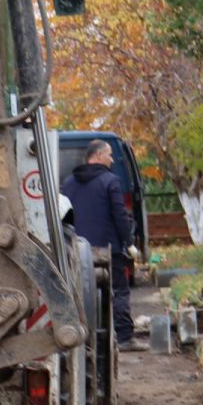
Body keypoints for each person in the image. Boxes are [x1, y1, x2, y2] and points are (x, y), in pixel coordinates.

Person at [61, 139, 142, 352]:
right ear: (97, 156)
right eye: (109, 154)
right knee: (118, 292)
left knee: (79, 293)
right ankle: (124, 336)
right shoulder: (110, 181)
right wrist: (129, 243)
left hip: (77, 250)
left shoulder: (68, 183)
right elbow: (120, 215)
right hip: (108, 249)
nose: (112, 159)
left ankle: (85, 338)